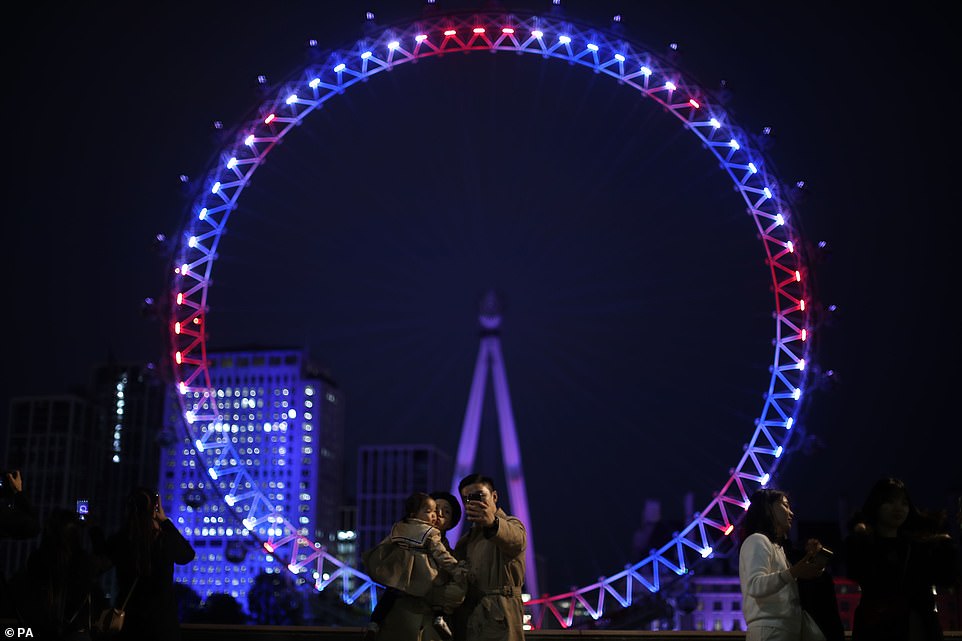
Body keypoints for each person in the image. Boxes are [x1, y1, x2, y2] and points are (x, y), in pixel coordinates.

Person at [844, 477, 960, 641]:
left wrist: (947, 548)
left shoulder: (920, 547)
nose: (898, 508)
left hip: (916, 630)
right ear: (876, 505)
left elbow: (947, 579)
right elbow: (858, 573)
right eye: (890, 501)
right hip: (877, 630)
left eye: (904, 503)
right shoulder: (861, 544)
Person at [363, 491, 468, 640]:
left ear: (451, 523)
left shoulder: (453, 557)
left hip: (430, 629)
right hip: (398, 622)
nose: (438, 514)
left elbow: (456, 594)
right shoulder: (402, 538)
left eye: (446, 512)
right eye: (434, 508)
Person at [103, 486, 195, 641]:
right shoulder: (165, 541)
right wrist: (165, 521)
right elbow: (187, 555)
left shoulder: (119, 541)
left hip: (129, 626)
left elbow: (100, 560)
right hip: (161, 626)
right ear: (155, 508)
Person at [738, 488, 829, 641]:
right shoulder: (757, 540)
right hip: (771, 631)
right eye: (785, 505)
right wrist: (794, 572)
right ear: (768, 508)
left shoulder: (777, 548)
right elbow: (755, 585)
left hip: (784, 630)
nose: (791, 513)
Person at [453, 473, 527, 641]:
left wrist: (492, 523)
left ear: (494, 496)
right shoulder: (467, 540)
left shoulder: (511, 524)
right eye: (467, 499)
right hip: (473, 618)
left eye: (479, 496)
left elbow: (516, 540)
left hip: (502, 616)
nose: (474, 502)